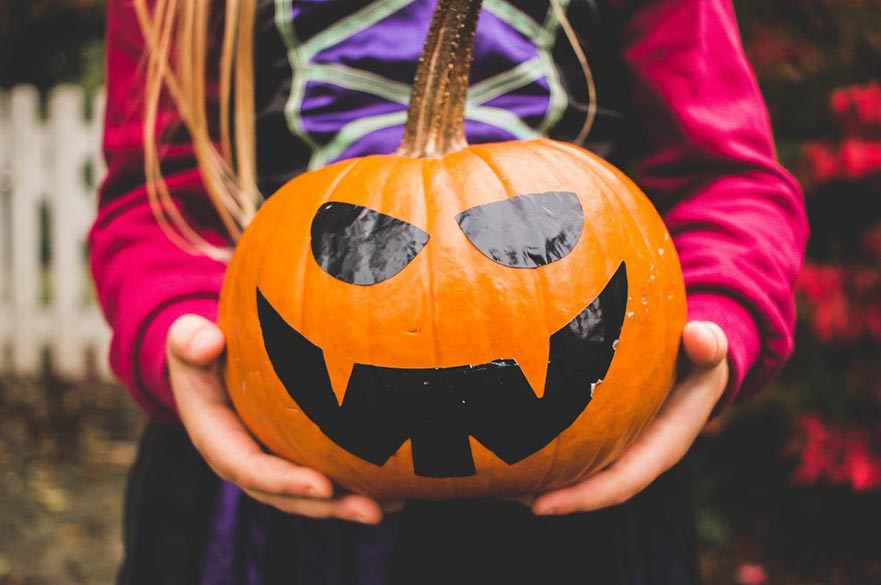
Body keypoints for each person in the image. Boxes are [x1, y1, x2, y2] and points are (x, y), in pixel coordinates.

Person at [89, 0, 808, 583]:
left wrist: (718, 318)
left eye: (530, 235)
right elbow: (155, 198)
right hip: (266, 483)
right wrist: (178, 336)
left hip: (584, 480)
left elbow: (725, 176)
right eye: (359, 248)